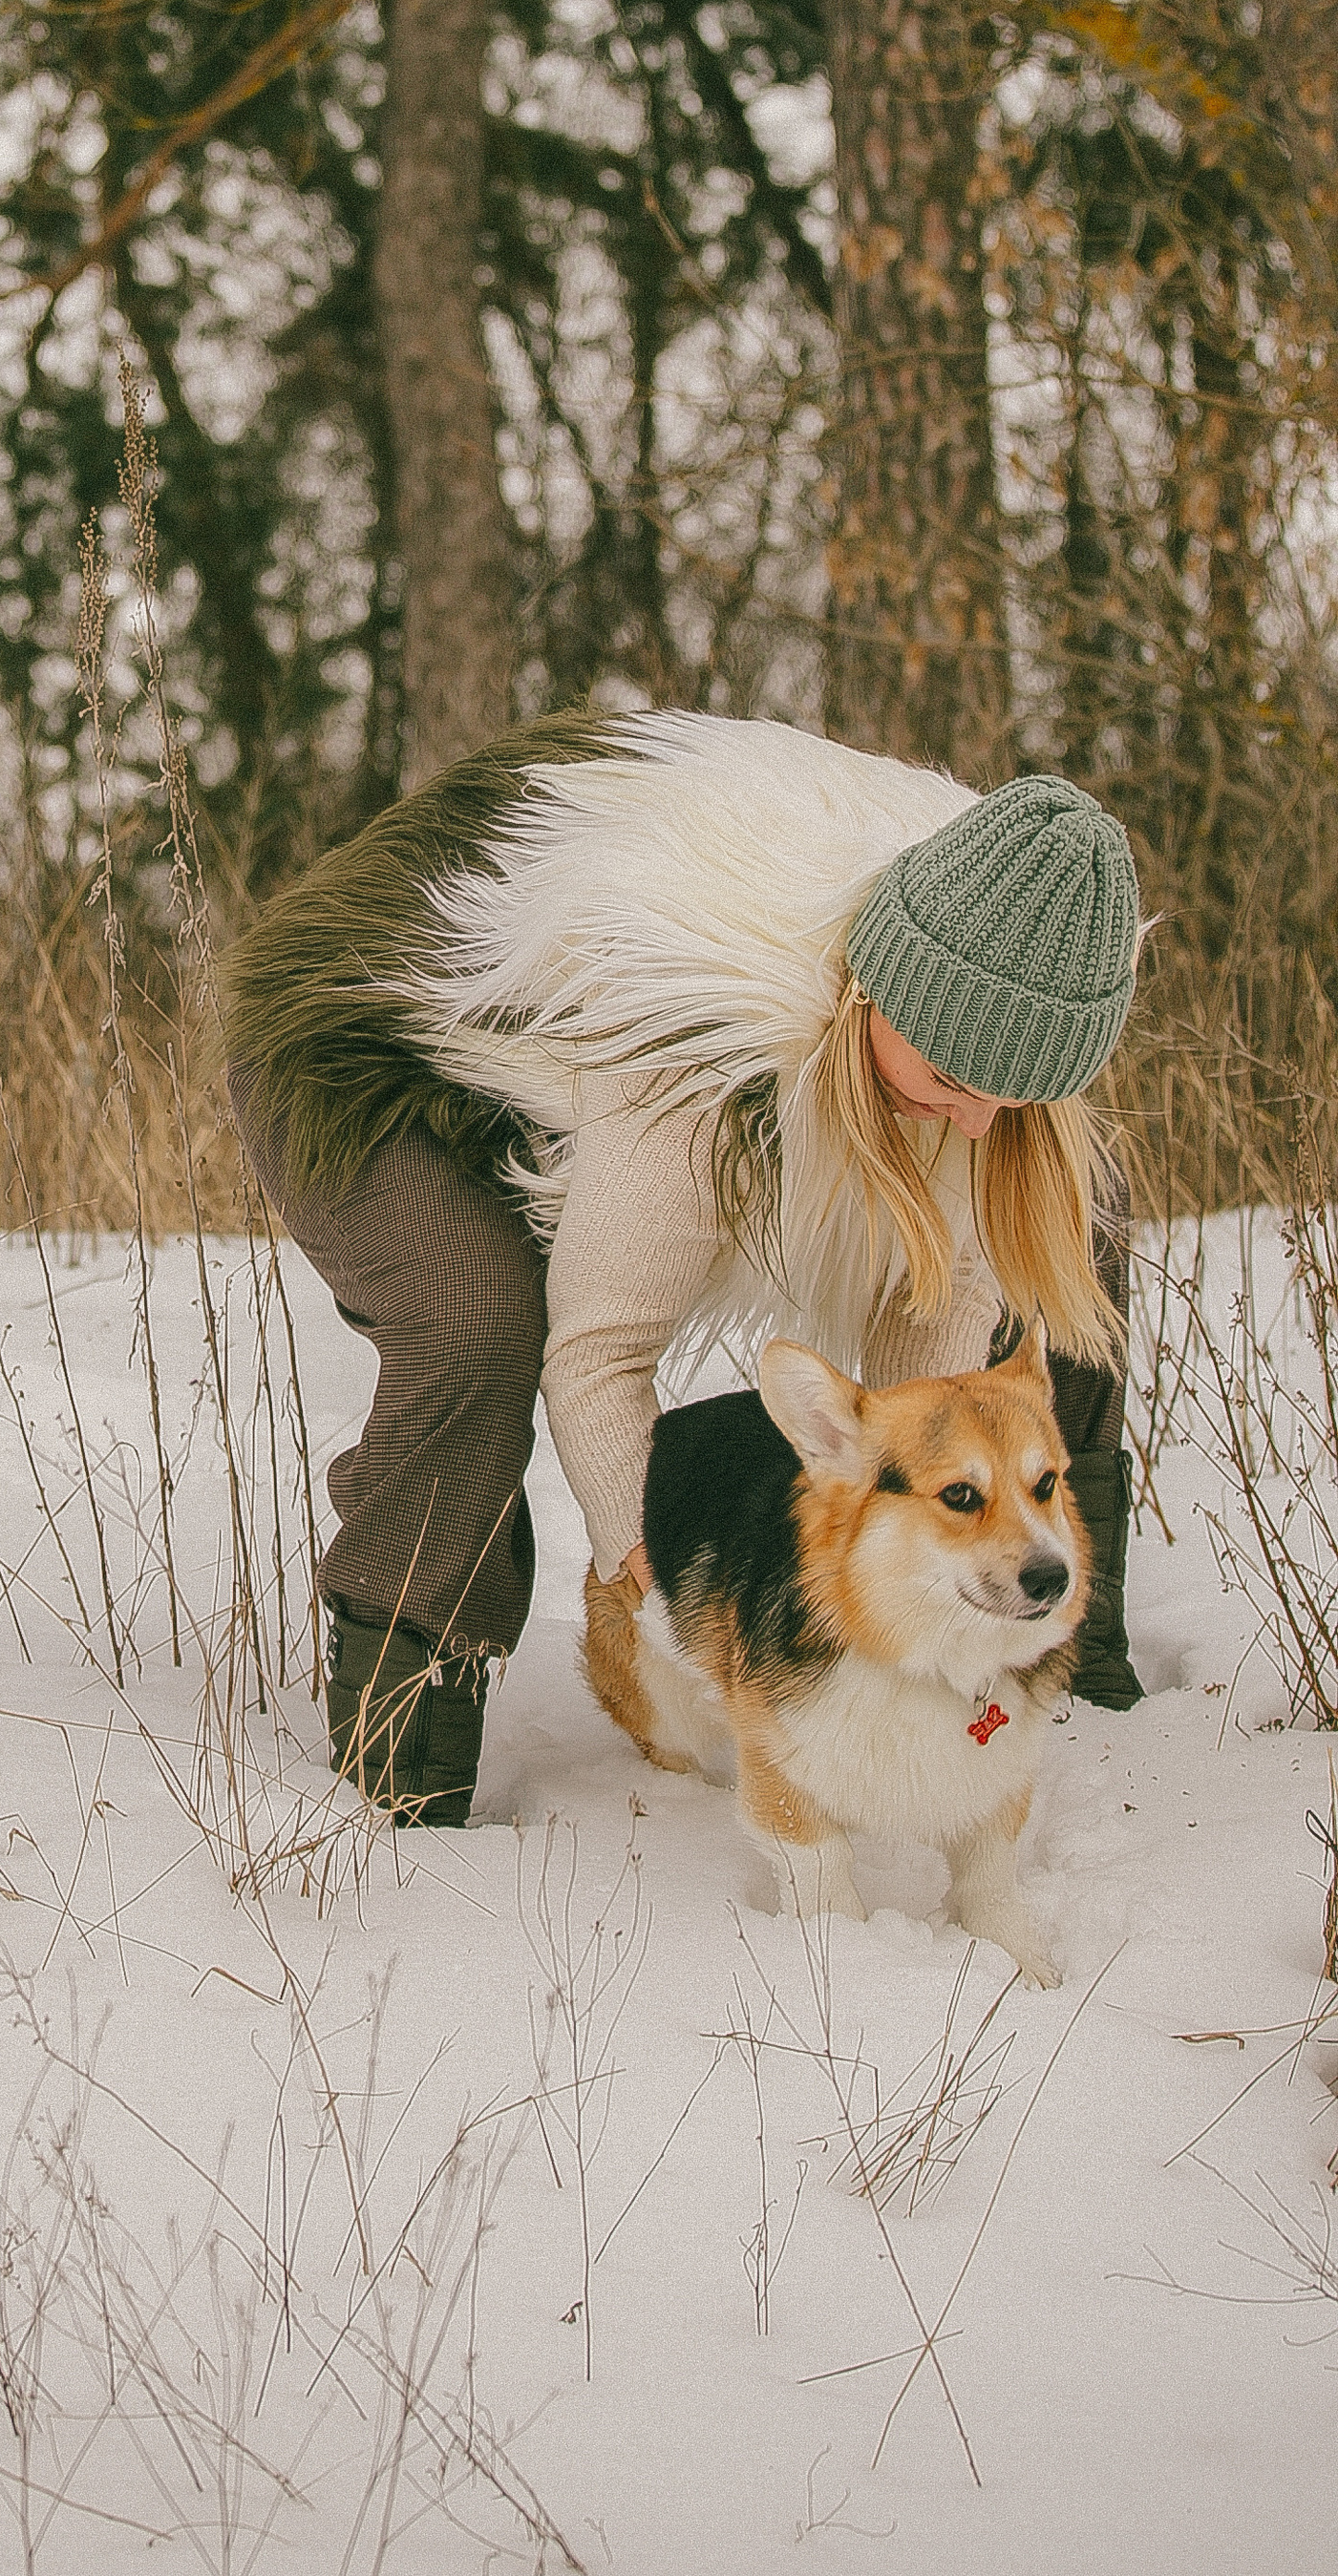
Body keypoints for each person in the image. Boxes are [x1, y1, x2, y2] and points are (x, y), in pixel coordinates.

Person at [223, 711, 1147, 1826]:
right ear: (871, 991)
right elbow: (601, 1356)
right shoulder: (696, 1045)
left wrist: (930, 1592)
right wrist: (654, 1563)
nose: (979, 1114)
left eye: (1016, 1090)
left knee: (1076, 1206)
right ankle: (401, 1738)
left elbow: (920, 1384)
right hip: (357, 1043)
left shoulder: (1005, 967)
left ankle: (1070, 1654)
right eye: (953, 1074)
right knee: (478, 1321)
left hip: (584, 1078)